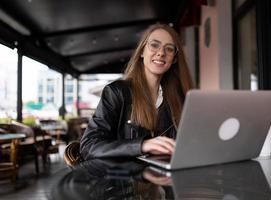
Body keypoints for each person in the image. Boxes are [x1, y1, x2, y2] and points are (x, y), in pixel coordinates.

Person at [80, 24, 194, 160]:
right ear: (141, 52)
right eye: (154, 45)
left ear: (174, 59)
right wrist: (142, 145)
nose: (161, 53)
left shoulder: (179, 98)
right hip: (125, 179)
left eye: (169, 49)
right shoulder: (116, 92)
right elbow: (88, 146)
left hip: (166, 176)